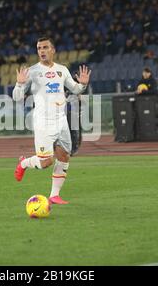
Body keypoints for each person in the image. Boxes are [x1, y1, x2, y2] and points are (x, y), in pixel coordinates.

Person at [12, 37, 91, 205]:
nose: (41, 50)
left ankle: (54, 195)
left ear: (52, 50)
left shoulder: (62, 70)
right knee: (46, 162)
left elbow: (75, 89)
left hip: (61, 120)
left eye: (45, 47)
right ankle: (24, 163)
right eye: (39, 48)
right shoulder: (32, 72)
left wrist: (82, 85)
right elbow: (17, 98)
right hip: (43, 122)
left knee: (64, 156)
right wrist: (19, 85)